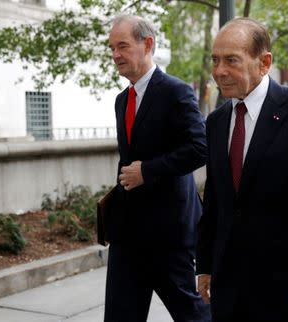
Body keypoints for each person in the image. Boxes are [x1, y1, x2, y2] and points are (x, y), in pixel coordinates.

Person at [196, 18, 288, 322]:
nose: (219, 71)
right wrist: (206, 265)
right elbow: (215, 201)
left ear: (264, 62)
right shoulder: (216, 121)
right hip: (229, 293)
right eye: (215, 59)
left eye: (231, 60)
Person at [105, 14, 211, 322]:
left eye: (122, 46)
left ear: (147, 44)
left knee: (192, 314)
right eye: (112, 48)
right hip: (127, 235)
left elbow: (199, 148)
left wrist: (148, 171)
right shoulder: (121, 100)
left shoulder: (176, 92)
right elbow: (128, 160)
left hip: (168, 234)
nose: (115, 55)